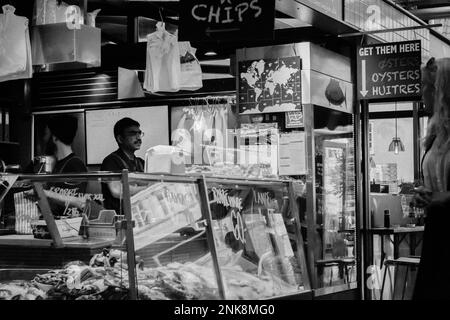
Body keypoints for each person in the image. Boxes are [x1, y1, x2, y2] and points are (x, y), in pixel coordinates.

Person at [412, 57, 450, 300]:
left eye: (426, 86)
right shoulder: (435, 134)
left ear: (439, 91)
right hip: (437, 230)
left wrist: (439, 197)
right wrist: (423, 193)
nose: (421, 92)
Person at [100, 117, 145, 214]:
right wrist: (147, 189)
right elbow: (116, 190)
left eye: (139, 133)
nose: (138, 137)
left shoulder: (141, 162)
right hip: (119, 220)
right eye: (133, 133)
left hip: (139, 218)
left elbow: (150, 183)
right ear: (120, 139)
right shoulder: (111, 161)